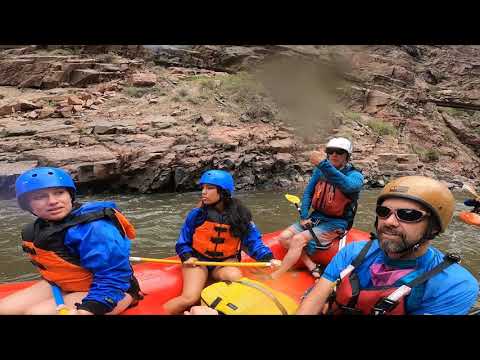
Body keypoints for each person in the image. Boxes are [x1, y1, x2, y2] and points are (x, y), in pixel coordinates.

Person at [297, 176, 479, 315]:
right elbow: (316, 296)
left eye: (408, 214)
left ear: (434, 228)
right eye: (383, 212)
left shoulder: (454, 284)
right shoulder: (354, 252)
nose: (389, 222)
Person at [0, 167, 142, 315]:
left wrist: (90, 309)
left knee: (37, 313)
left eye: (59, 193)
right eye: (39, 197)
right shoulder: (38, 228)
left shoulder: (95, 227)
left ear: (70, 195)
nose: (53, 201)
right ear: (28, 205)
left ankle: (129, 298)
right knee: (4, 310)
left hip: (114, 289)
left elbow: (114, 276)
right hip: (64, 284)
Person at [163, 169, 281, 315]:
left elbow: (252, 242)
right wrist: (186, 256)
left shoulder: (240, 215)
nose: (203, 192)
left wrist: (268, 258)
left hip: (225, 262)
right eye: (203, 188)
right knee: (189, 298)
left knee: (235, 278)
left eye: (210, 188)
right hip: (198, 261)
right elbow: (183, 241)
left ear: (223, 192)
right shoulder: (197, 214)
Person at [270, 137, 364, 280]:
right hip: (317, 217)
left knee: (297, 240)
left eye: (339, 152)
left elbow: (348, 186)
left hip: (337, 223)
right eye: (330, 151)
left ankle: (277, 275)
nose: (334, 155)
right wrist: (304, 216)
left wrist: (323, 164)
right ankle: (312, 266)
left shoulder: (355, 176)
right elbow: (308, 193)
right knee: (283, 238)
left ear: (347, 156)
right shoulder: (320, 172)